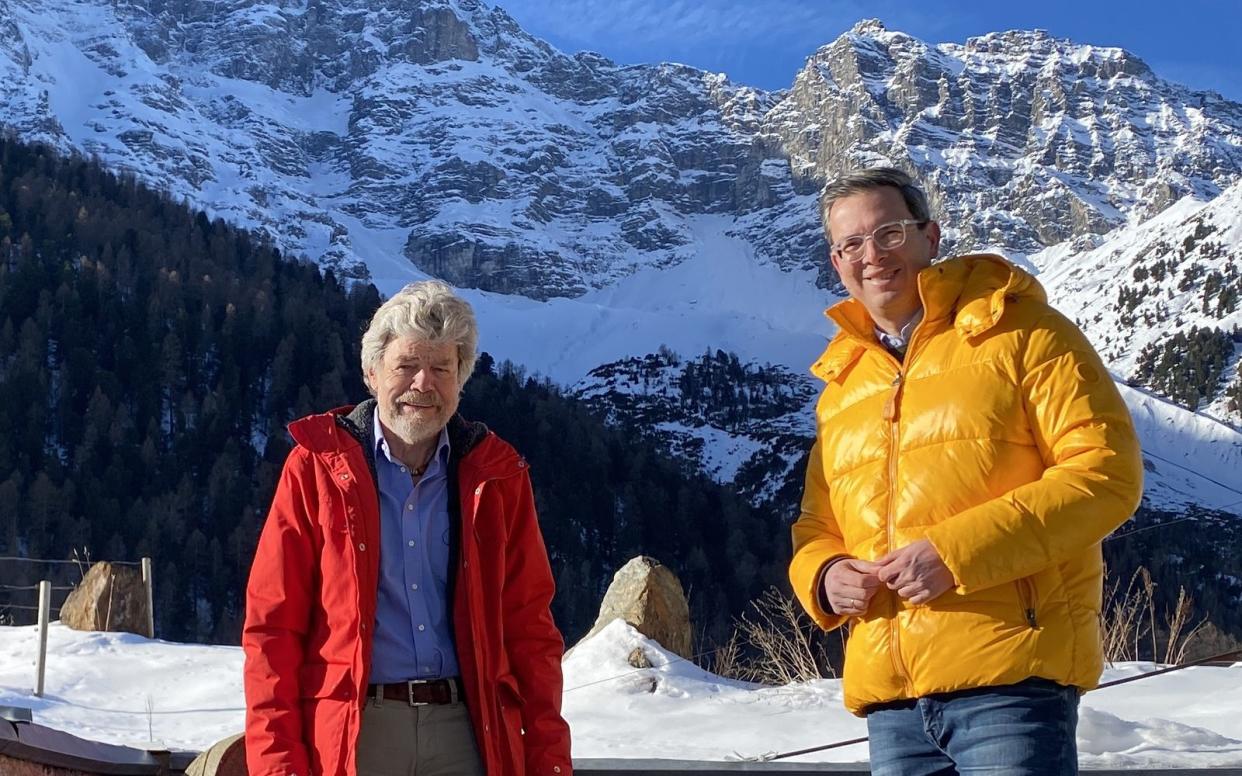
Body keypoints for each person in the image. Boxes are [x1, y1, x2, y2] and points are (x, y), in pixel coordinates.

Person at [789, 167, 1143, 774]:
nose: (871, 256)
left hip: (1012, 684)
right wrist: (823, 576)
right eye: (851, 245)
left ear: (930, 235)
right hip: (892, 701)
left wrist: (953, 554)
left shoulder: (1027, 334)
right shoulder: (843, 385)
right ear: (835, 260)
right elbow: (816, 526)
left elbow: (1105, 475)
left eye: (889, 233)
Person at [243, 280, 572, 776]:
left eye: (442, 368)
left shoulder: (497, 478)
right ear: (372, 373)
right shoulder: (315, 469)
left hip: (470, 733)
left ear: (460, 379)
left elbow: (531, 633)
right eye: (406, 366)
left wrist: (549, 760)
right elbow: (273, 631)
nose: (423, 383)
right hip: (356, 735)